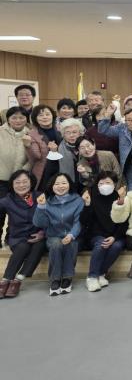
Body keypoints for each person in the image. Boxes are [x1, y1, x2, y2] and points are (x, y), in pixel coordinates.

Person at [33, 173, 84, 296]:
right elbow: (39, 223)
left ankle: (67, 277)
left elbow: (78, 222)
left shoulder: (78, 200)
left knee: (71, 245)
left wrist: (71, 235)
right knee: (56, 244)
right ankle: (55, 279)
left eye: (64, 183)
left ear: (69, 184)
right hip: (53, 235)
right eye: (57, 184)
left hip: (73, 235)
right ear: (52, 186)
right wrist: (41, 207)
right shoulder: (47, 201)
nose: (60, 186)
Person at [0, 170, 45, 299]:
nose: (21, 185)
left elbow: (51, 217)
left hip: (38, 235)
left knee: (40, 245)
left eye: (25, 182)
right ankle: (5, 280)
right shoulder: (6, 200)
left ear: (31, 183)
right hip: (18, 237)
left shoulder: (40, 196)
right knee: (23, 247)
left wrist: (43, 233)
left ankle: (18, 279)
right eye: (17, 182)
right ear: (12, 184)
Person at [80, 171, 127, 292]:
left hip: (116, 234)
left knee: (117, 246)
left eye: (108, 182)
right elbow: (84, 221)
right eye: (101, 183)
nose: (104, 185)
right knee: (101, 244)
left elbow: (124, 221)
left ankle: (101, 273)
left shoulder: (119, 197)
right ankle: (92, 277)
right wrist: (87, 204)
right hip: (96, 234)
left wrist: (114, 237)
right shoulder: (92, 195)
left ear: (114, 184)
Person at [0, 106, 32, 208]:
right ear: (8, 119)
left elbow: (34, 157)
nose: (18, 121)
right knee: (1, 208)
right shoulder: (1, 132)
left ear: (26, 119)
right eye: (14, 118)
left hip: (22, 181)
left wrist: (23, 171)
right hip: (2, 180)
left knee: (23, 208)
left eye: (21, 117)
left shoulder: (32, 133)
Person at [27, 104, 62, 190]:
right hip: (44, 170)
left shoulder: (61, 129)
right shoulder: (32, 134)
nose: (45, 117)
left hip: (62, 167)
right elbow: (36, 156)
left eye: (47, 114)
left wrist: (56, 151)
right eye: (40, 115)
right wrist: (28, 145)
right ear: (35, 118)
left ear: (53, 116)